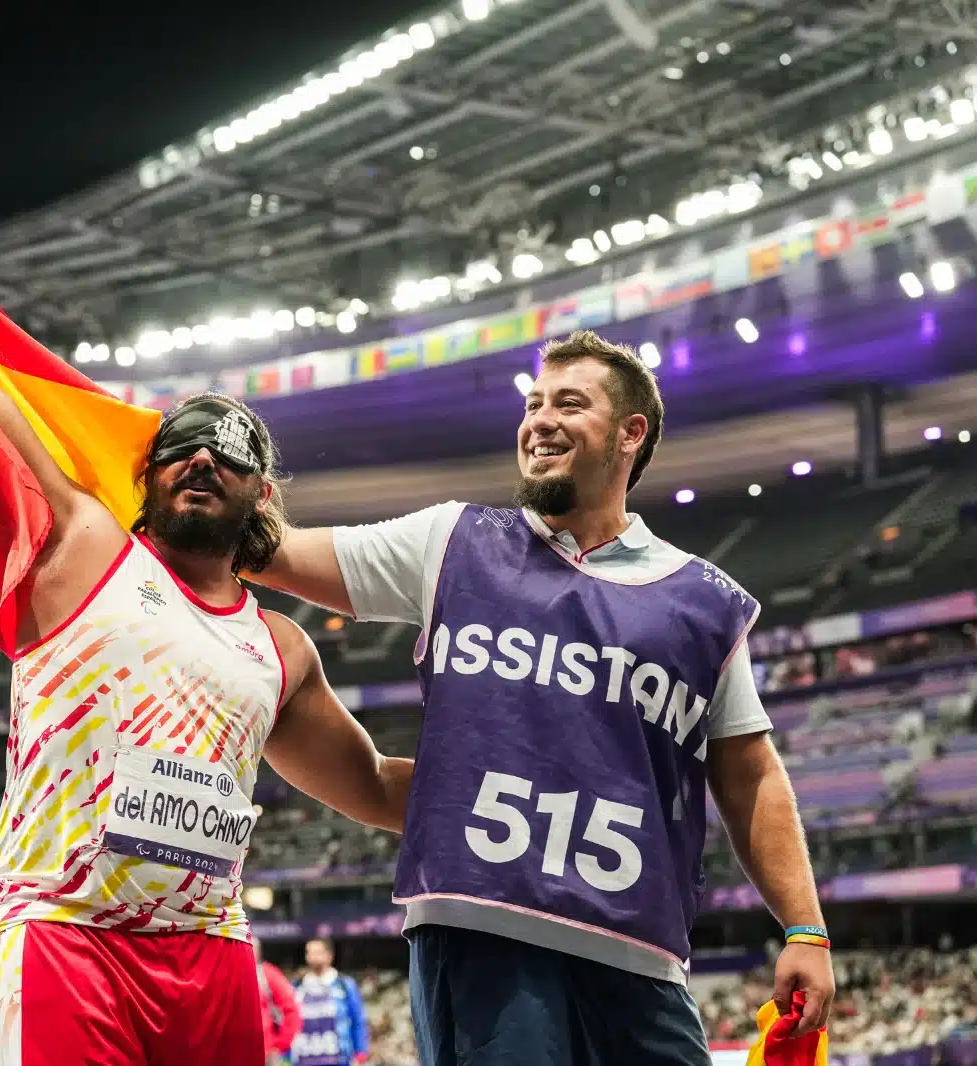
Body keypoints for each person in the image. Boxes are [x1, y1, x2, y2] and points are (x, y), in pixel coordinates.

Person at [0, 173, 413, 1066]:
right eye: (180, 446)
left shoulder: (281, 648)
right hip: (62, 935)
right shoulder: (83, 542)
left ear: (262, 493)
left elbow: (380, 788)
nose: (200, 458)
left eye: (227, 453)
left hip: (214, 954)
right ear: (145, 474)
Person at [257, 330, 836, 1065]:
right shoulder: (452, 542)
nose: (540, 421)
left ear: (632, 433)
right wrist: (188, 470)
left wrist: (805, 929)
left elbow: (749, 774)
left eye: (569, 403)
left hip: (641, 955)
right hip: (484, 937)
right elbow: (271, 552)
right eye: (533, 404)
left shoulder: (705, 603)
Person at [290, 939, 368, 1066]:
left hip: (338, 1058)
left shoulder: (345, 985)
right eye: (309, 953)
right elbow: (289, 1021)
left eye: (318, 952)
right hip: (304, 1058)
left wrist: (360, 1054)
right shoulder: (297, 986)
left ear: (329, 956)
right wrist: (286, 1054)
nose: (313, 957)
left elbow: (358, 1020)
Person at [256, 939, 301, 1066]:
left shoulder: (268, 975)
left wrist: (281, 1044)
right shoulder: (229, 973)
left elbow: (291, 1009)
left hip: (267, 1053)